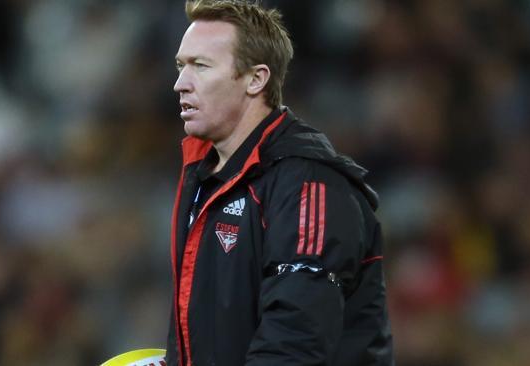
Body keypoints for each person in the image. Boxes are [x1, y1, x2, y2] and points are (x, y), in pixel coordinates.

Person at [167, 1, 393, 365]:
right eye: (181, 65)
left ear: (256, 79)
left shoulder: (309, 185)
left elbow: (295, 344)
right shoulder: (204, 177)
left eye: (201, 66)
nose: (180, 84)